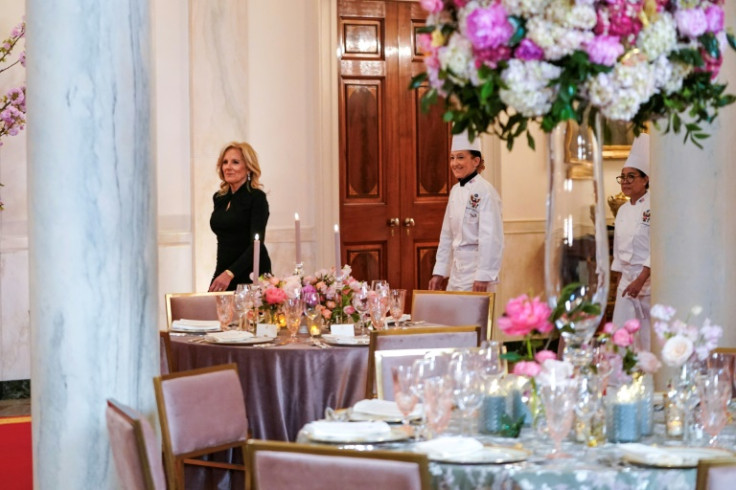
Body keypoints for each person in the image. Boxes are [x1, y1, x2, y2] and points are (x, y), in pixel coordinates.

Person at [428, 132, 503, 292]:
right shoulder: (455, 191)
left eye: (460, 157)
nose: (455, 163)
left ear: (476, 161)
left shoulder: (486, 191)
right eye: (452, 158)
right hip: (456, 273)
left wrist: (483, 275)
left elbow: (491, 237)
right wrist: (439, 272)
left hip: (476, 273)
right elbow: (447, 235)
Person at [208, 142, 272, 292]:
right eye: (225, 162)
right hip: (224, 270)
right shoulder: (219, 198)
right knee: (217, 313)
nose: (228, 167)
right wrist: (222, 273)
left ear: (248, 167)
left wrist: (230, 273)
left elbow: (257, 244)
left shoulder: (257, 198)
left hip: (252, 272)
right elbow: (224, 243)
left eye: (235, 162)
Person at [611, 133, 651, 349]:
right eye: (622, 177)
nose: (625, 182)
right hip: (627, 284)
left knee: (646, 339)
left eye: (631, 176)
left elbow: (657, 249)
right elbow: (619, 253)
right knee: (622, 338)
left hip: (648, 284)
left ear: (645, 179)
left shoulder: (655, 205)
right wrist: (621, 283)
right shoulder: (623, 210)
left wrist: (641, 280)